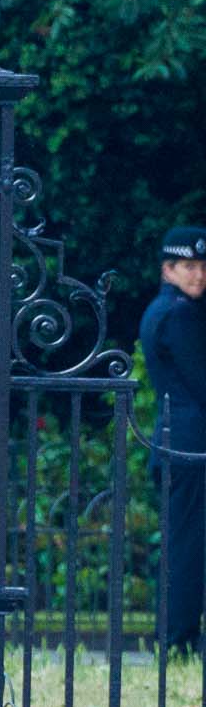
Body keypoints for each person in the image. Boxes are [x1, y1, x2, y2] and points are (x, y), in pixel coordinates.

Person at [142, 226, 206, 653]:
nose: (198, 275)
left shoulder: (162, 309)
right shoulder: (179, 314)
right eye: (188, 266)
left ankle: (178, 633)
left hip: (176, 440)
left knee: (185, 540)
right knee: (188, 543)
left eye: (202, 266)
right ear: (168, 269)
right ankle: (180, 638)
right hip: (188, 443)